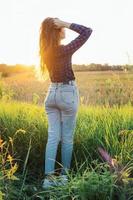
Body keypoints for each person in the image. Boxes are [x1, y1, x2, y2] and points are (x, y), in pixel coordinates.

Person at [39, 17, 93, 188]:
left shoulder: (45, 51)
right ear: (57, 30)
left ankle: (48, 180)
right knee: (67, 139)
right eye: (61, 27)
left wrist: (60, 25)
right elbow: (87, 31)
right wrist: (65, 23)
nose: (64, 30)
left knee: (53, 137)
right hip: (67, 93)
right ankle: (64, 177)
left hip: (51, 95)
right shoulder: (63, 50)